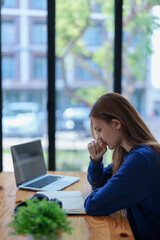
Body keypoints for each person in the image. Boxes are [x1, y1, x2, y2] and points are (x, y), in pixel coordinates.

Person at [84, 92, 160, 240]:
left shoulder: (141, 160)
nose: (98, 137)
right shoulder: (130, 154)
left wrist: (92, 194)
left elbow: (94, 205)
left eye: (99, 130)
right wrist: (96, 160)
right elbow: (99, 182)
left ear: (116, 123)